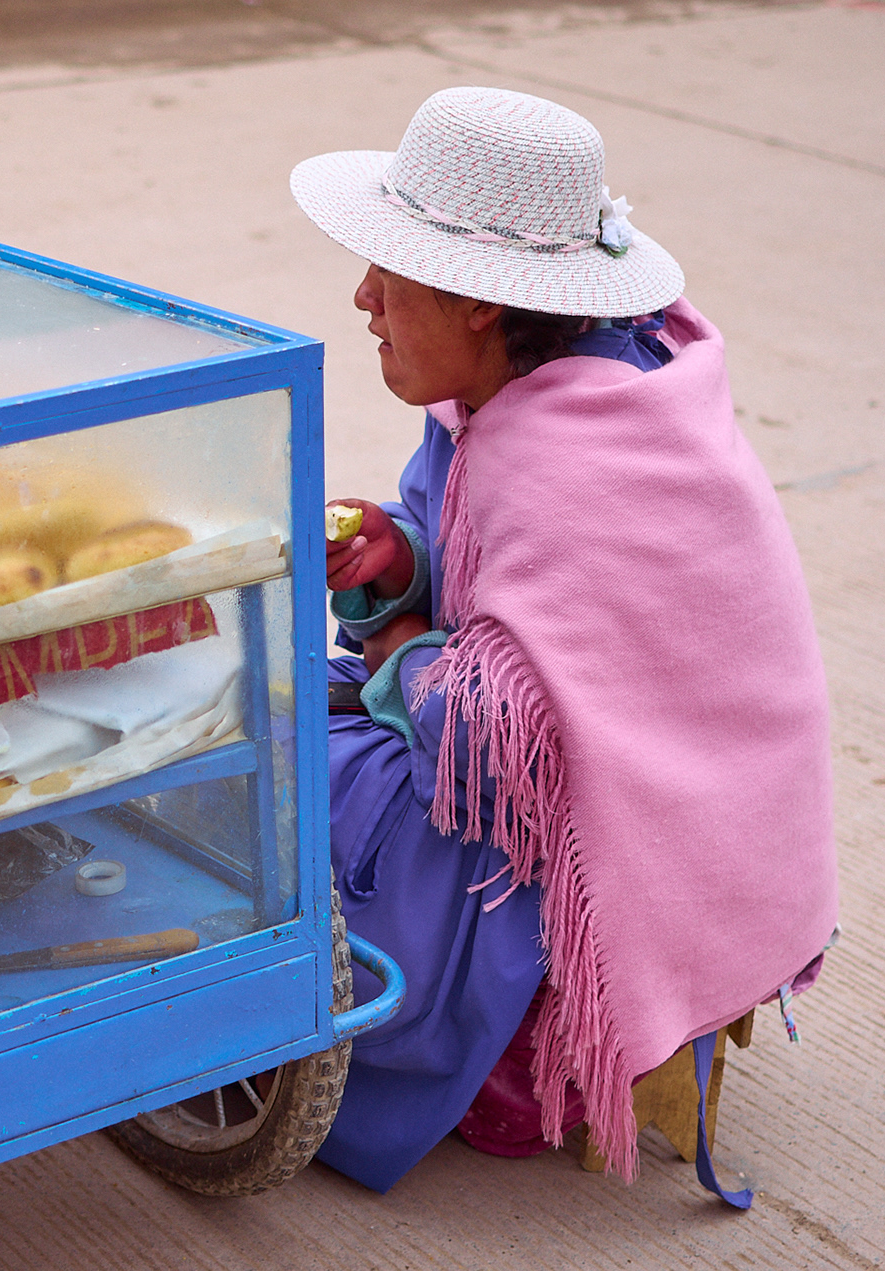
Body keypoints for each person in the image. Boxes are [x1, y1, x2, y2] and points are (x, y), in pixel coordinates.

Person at [288, 87, 839, 1194]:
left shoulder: (565, 459)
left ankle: (486, 1035)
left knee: (297, 782)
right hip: (648, 785)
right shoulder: (566, 388)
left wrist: (399, 634)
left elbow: (493, 755)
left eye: (390, 271)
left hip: (627, 829)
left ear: (479, 302)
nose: (363, 297)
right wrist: (399, 557)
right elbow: (495, 589)